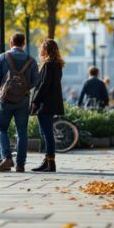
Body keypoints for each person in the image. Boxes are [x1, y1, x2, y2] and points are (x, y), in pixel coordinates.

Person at [0, 33, 39, 173]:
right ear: (23, 43)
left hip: (5, 99)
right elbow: (36, 80)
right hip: (23, 100)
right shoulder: (31, 60)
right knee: (22, 132)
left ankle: (7, 158)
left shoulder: (2, 57)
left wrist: (1, 87)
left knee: (2, 129)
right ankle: (20, 165)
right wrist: (24, 89)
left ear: (11, 42)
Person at [30, 39, 65, 173]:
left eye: (42, 48)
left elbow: (43, 85)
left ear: (47, 49)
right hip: (51, 103)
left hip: (45, 103)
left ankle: (50, 163)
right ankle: (47, 161)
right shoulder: (57, 64)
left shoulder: (48, 65)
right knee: (45, 132)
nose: (40, 50)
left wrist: (35, 101)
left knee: (47, 133)